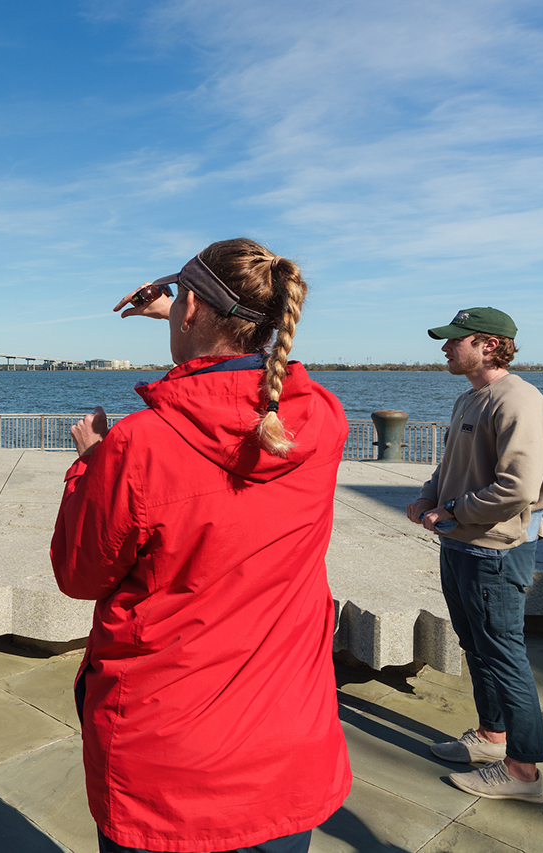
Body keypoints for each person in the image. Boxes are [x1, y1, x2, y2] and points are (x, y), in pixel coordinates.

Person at [51, 239, 350, 853]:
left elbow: (80, 573)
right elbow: (248, 389)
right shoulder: (322, 417)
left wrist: (89, 467)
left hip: (169, 766)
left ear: (191, 310)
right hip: (287, 746)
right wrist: (187, 315)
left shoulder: (139, 445)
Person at [406, 308, 543, 804]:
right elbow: (450, 465)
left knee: (504, 654)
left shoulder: (519, 401)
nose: (446, 349)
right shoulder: (470, 398)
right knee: (478, 647)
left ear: (490, 344)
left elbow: (517, 489)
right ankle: (493, 739)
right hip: (462, 544)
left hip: (496, 552)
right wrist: (430, 497)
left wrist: (450, 509)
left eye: (456, 341)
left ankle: (524, 772)